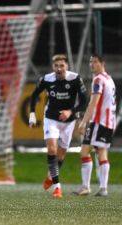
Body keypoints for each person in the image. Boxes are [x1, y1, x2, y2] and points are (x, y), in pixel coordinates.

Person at [29, 54, 87, 198]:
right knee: (52, 149)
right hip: (51, 119)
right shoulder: (47, 79)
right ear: (53, 67)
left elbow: (84, 101)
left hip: (69, 122)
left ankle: (51, 176)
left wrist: (70, 111)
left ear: (67, 66)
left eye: (62, 66)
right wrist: (32, 114)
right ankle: (57, 187)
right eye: (56, 66)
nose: (59, 69)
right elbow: (34, 95)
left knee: (60, 156)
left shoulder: (75, 78)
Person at [73, 54, 116, 197]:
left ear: (102, 63)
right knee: (96, 152)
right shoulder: (109, 79)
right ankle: (97, 188)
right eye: (90, 62)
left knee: (89, 152)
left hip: (99, 122)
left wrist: (83, 122)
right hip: (107, 122)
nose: (91, 64)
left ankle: (91, 187)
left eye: (95, 62)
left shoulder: (98, 80)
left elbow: (94, 103)